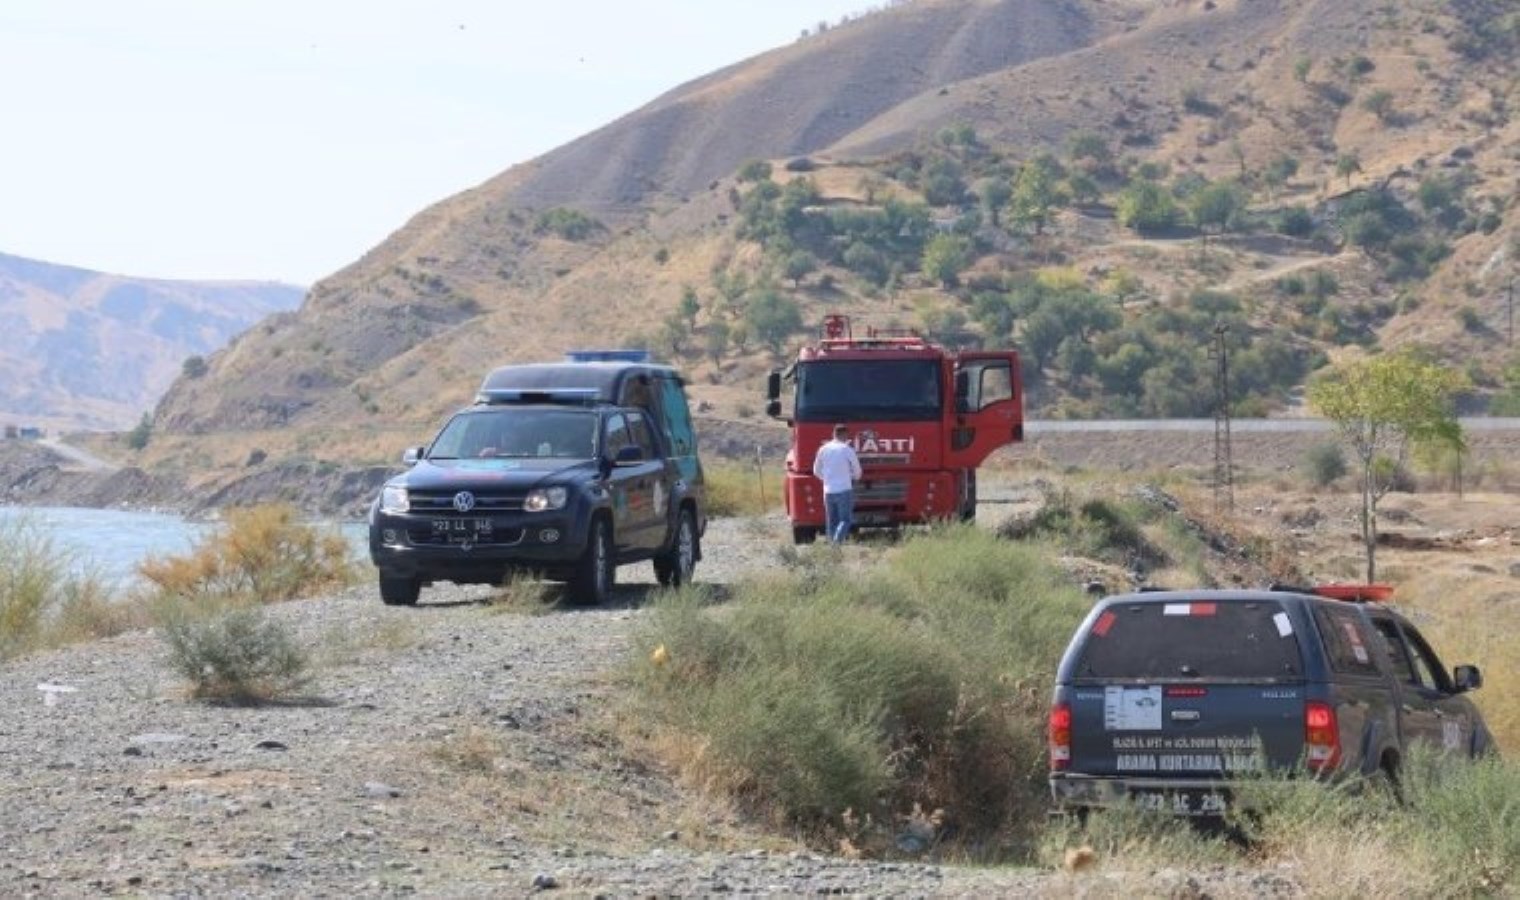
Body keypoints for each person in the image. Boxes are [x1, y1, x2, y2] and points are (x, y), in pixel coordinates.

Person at [812, 423, 862, 544]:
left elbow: (816, 471)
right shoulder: (846, 449)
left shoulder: (823, 449)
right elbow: (857, 470)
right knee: (845, 519)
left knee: (831, 520)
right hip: (844, 489)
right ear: (844, 434)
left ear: (833, 434)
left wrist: (826, 479)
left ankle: (832, 547)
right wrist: (854, 477)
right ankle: (836, 542)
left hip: (828, 491)